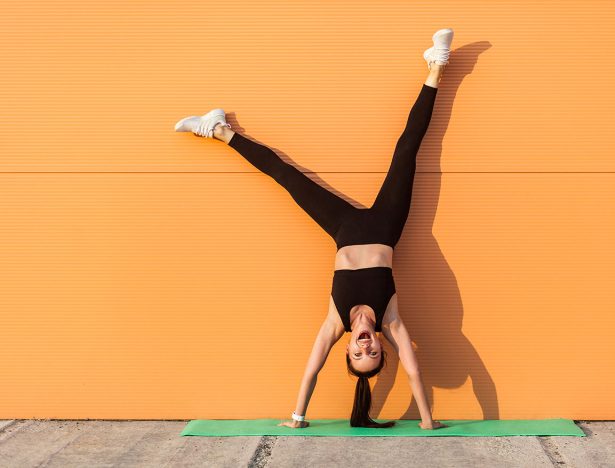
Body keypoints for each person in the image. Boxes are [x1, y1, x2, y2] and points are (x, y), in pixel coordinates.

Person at [175, 28, 455, 429]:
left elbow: (311, 372)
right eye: (372, 354)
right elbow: (413, 372)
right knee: (407, 148)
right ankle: (436, 67)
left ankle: (220, 130)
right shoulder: (391, 320)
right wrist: (427, 420)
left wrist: (297, 417)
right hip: (385, 225)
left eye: (357, 356)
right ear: (381, 347)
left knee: (286, 177)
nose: (365, 348)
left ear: (346, 351)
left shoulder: (334, 322)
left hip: (342, 228)